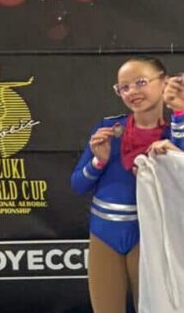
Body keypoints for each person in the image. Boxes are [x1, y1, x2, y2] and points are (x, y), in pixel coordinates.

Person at [70, 56, 170, 313]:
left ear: (164, 82)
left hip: (147, 235)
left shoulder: (172, 136)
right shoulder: (108, 128)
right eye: (124, 87)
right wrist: (98, 162)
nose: (132, 92)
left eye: (141, 82)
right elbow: (78, 185)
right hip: (104, 234)